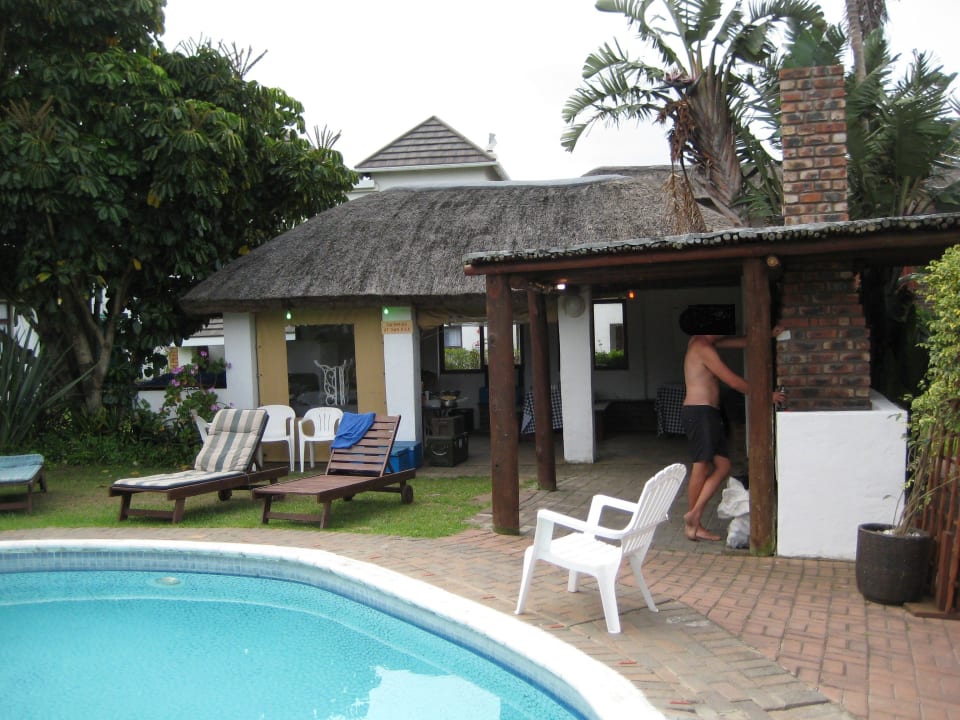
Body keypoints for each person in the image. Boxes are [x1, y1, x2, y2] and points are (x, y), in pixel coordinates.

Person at [680, 328, 785, 542]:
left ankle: (694, 513)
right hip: (699, 413)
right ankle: (693, 524)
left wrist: (767, 334)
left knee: (724, 466)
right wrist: (766, 394)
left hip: (708, 413)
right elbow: (734, 382)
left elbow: (741, 341)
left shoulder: (704, 342)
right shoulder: (702, 347)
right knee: (701, 465)